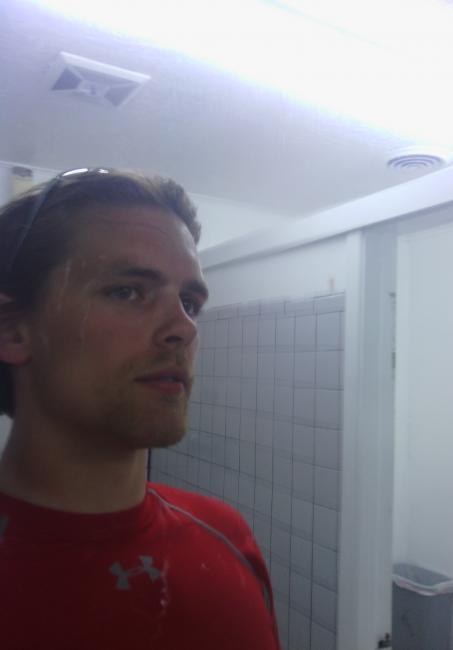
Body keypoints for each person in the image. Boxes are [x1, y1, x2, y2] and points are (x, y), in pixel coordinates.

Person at [0, 169, 280, 650]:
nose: (184, 328)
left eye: (190, 302)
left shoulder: (227, 537)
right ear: (12, 332)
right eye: (127, 291)